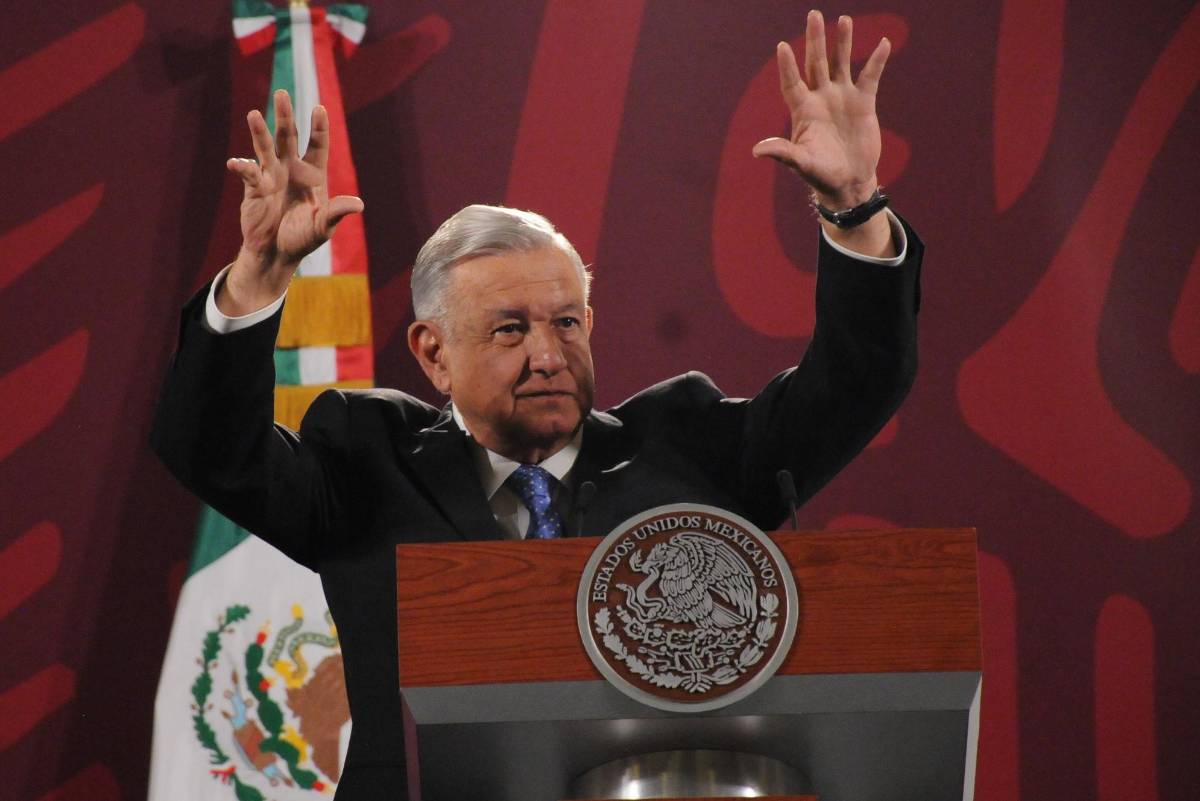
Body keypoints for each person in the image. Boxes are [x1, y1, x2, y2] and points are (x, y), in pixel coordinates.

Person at [153, 11, 922, 800]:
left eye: (565, 323)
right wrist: (258, 277)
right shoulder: (365, 462)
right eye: (510, 329)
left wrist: (855, 206)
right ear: (432, 353)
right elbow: (211, 448)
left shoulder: (691, 448)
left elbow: (856, 383)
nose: (548, 354)